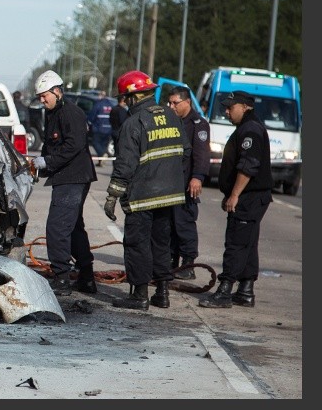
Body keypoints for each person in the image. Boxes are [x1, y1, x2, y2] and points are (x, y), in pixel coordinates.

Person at [103, 70, 189, 310]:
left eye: (124, 98)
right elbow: (185, 153)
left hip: (142, 197)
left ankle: (139, 295)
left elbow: (125, 166)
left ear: (132, 98)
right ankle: (162, 293)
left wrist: (112, 196)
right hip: (169, 195)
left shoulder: (133, 123)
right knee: (161, 244)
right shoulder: (173, 118)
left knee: (137, 244)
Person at [199, 91, 273, 309]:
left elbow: (248, 166)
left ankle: (225, 291)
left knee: (236, 243)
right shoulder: (247, 128)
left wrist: (234, 195)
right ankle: (246, 290)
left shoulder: (250, 130)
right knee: (247, 242)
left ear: (245, 107)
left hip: (249, 197)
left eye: (231, 107)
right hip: (251, 197)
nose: (227, 111)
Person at [31, 70, 98, 296]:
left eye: (44, 96)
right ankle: (86, 277)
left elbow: (72, 147)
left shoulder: (71, 113)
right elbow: (51, 145)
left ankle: (61, 278)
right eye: (40, 97)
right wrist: (40, 165)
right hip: (66, 176)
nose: (42, 100)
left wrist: (47, 162)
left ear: (57, 91)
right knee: (73, 227)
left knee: (57, 227)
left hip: (74, 177)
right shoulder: (53, 113)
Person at [167, 86, 211, 280]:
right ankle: (170, 262)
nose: (171, 106)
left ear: (187, 102)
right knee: (169, 226)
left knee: (184, 225)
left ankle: (188, 265)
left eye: (175, 103)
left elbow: (201, 154)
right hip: (170, 183)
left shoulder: (198, 124)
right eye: (169, 103)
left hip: (186, 183)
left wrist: (198, 177)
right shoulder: (171, 121)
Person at [86, 92, 115, 166]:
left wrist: (89, 123)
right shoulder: (111, 105)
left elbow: (91, 116)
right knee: (103, 145)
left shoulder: (98, 104)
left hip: (99, 128)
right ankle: (100, 161)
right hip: (108, 129)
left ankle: (102, 154)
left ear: (101, 96)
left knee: (95, 143)